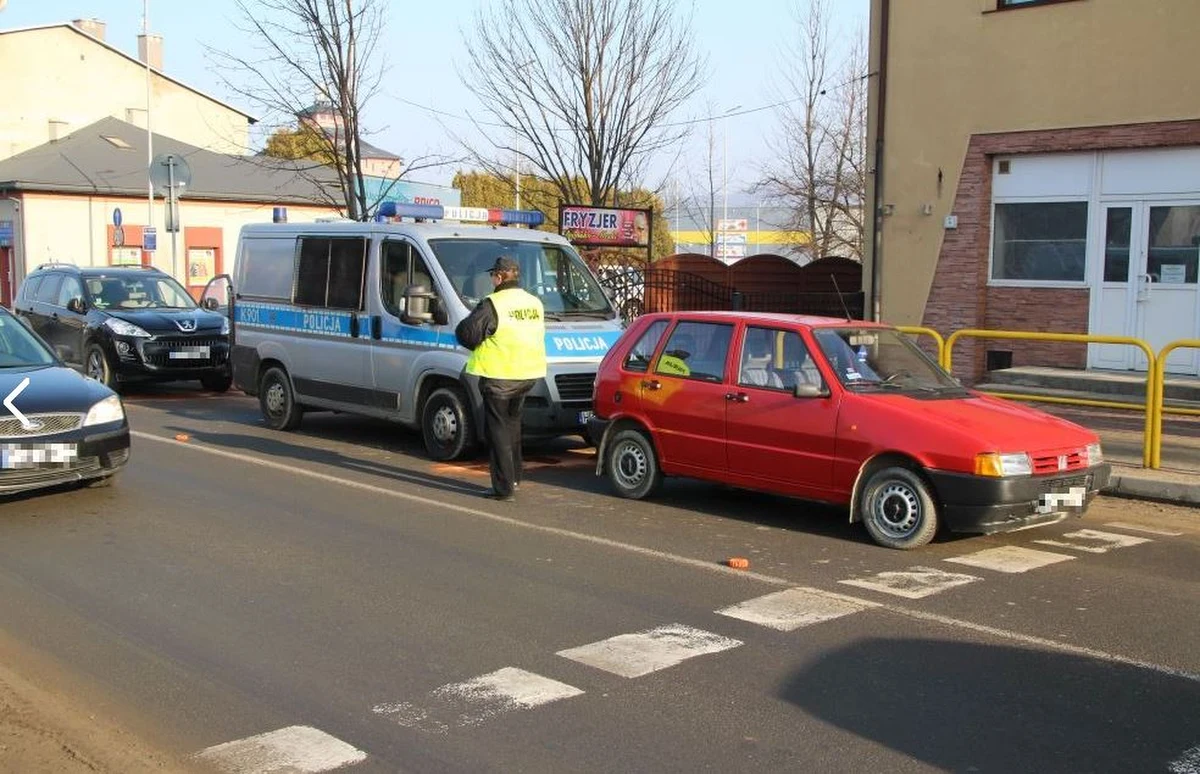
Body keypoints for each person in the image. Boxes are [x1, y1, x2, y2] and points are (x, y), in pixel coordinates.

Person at [455, 255, 547, 501]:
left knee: (497, 431)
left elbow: (468, 334)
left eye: (492, 275)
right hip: (527, 373)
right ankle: (515, 477)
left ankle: (503, 487)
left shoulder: (493, 303)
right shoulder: (534, 303)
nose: (491, 280)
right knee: (513, 425)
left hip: (500, 375)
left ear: (499, 276)